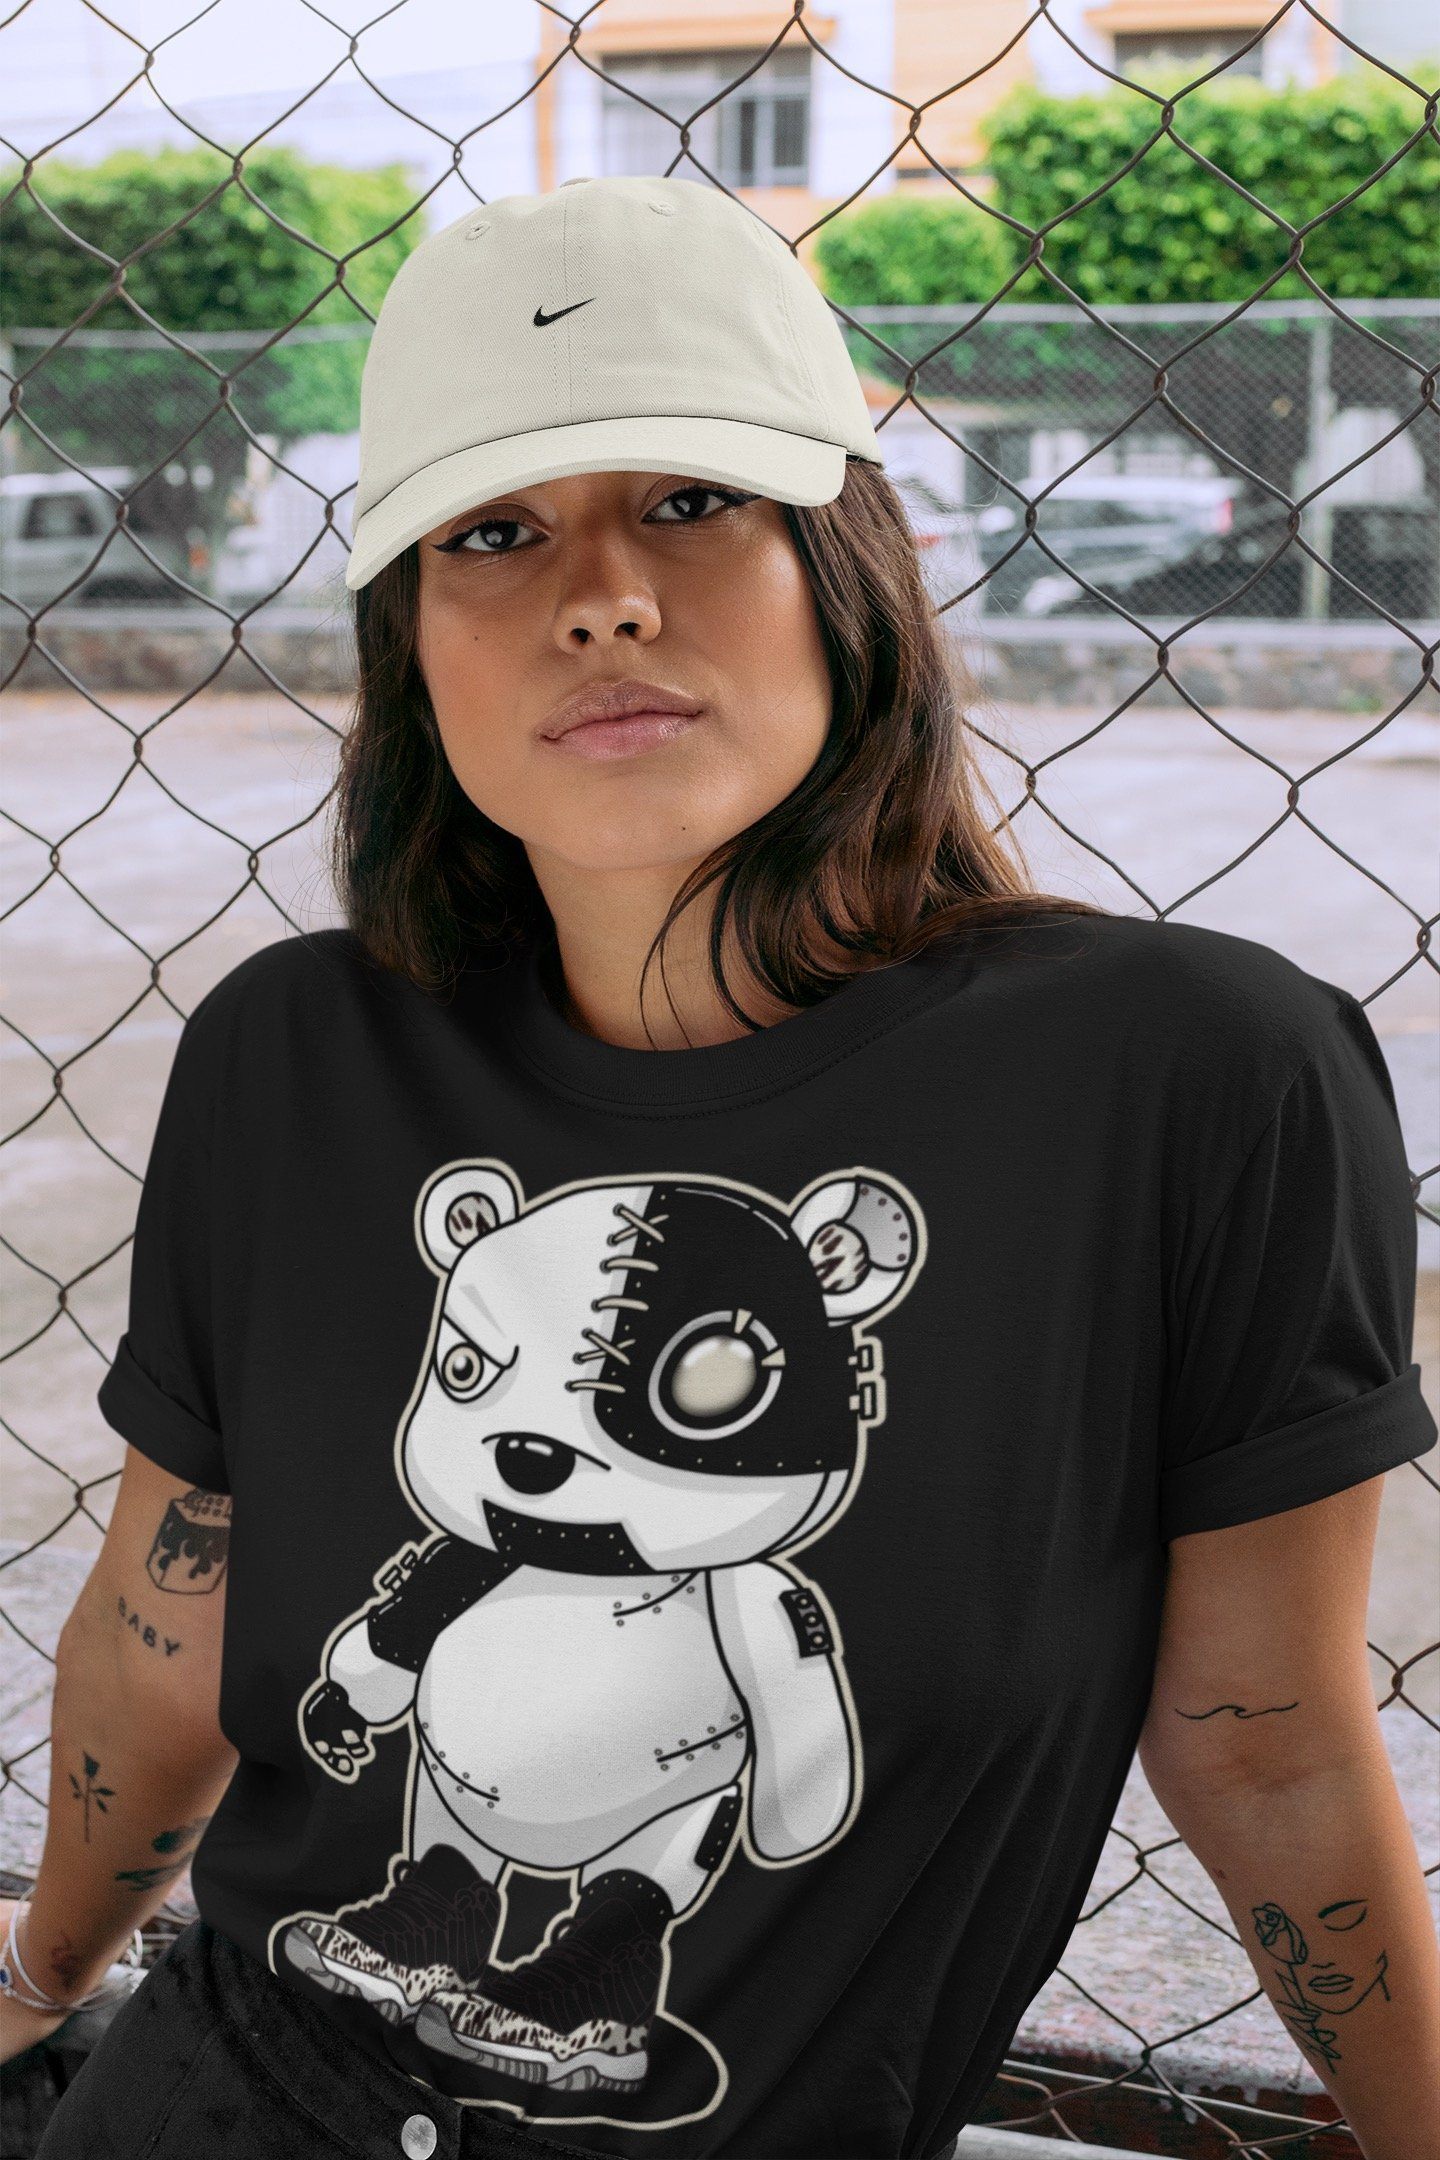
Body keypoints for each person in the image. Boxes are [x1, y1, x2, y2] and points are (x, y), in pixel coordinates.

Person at [8, 174, 1437, 2160]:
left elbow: (1265, 1744)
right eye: (492, 531)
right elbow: (165, 1633)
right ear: (411, 639)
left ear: (850, 562)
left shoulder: (1195, 1080)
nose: (600, 595)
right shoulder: (294, 1054)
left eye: (688, 498)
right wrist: (35, 1988)